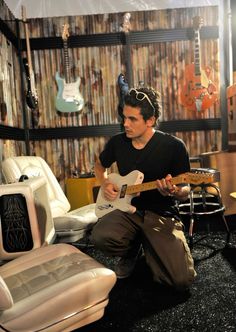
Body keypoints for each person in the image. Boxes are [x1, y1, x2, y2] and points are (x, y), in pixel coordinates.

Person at [90, 86, 196, 290]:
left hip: (161, 213)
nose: (125, 124)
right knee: (100, 236)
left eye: (132, 119)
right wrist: (105, 183)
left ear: (150, 120)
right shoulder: (117, 143)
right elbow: (99, 166)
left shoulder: (174, 146)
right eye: (124, 117)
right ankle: (131, 249)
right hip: (127, 211)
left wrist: (174, 191)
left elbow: (185, 189)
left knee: (180, 280)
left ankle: (151, 244)